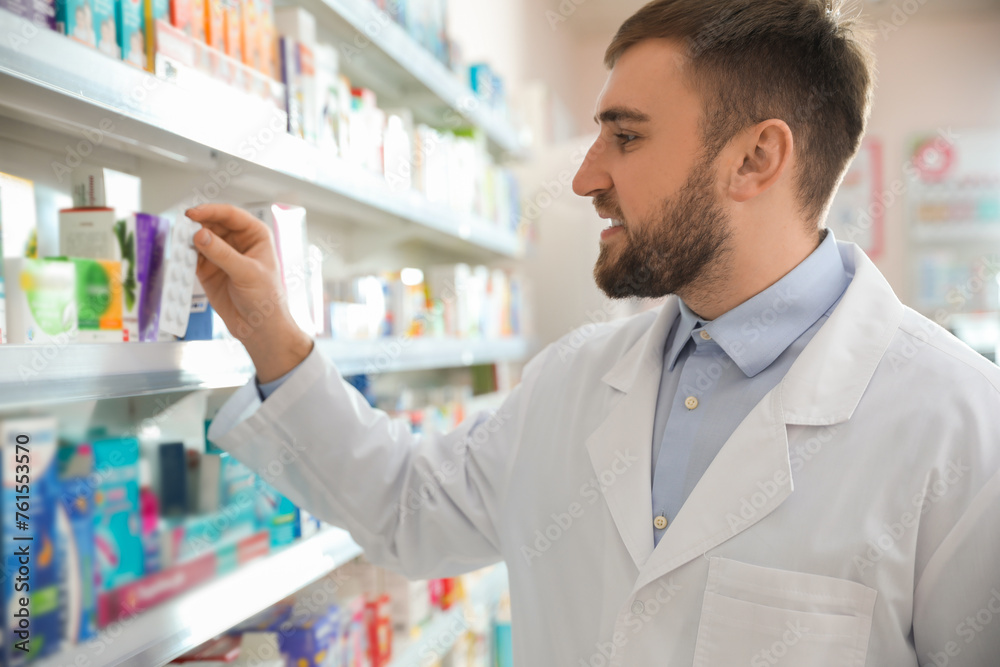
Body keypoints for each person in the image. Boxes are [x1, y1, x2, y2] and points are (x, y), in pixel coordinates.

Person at [190, 0, 1000, 664]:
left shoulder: (961, 427)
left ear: (756, 158)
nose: (584, 177)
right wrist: (270, 333)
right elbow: (409, 507)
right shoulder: (570, 381)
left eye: (627, 135)